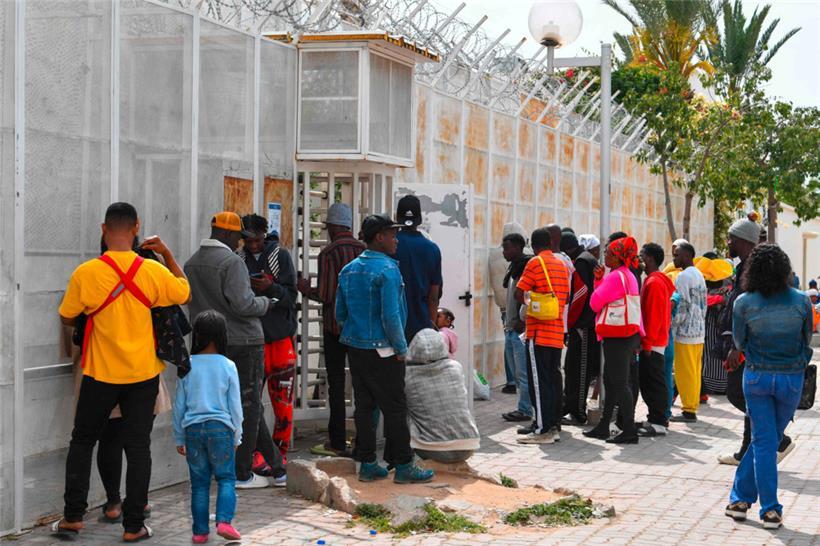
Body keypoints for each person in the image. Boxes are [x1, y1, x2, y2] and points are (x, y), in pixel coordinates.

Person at [54, 202, 190, 541]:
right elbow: (183, 290)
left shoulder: (86, 273)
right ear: (137, 227)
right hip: (142, 377)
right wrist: (168, 254)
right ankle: (133, 526)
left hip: (99, 375)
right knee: (138, 448)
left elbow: (67, 315)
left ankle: (73, 517)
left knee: (83, 442)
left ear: (103, 229)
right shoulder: (153, 271)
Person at [184, 211, 285, 489]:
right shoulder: (231, 262)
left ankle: (277, 467)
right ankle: (241, 473)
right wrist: (268, 302)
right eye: (238, 238)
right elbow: (243, 305)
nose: (240, 244)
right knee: (249, 405)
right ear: (228, 235)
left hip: (211, 344)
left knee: (237, 405)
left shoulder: (191, 263)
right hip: (244, 340)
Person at [336, 214, 434, 484]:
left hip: (355, 347)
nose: (396, 240)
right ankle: (403, 464)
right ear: (379, 237)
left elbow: (340, 313)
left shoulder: (349, 269)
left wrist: (357, 333)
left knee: (365, 406)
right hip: (385, 349)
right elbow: (391, 316)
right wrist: (401, 347)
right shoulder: (388, 270)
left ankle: (367, 462)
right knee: (394, 407)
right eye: (392, 234)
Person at [724, 244, 813, 530]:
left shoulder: (744, 303)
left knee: (763, 441)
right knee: (768, 440)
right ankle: (765, 508)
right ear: (785, 269)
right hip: (791, 379)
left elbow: (739, 343)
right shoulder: (801, 301)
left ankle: (745, 502)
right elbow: (806, 340)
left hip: (757, 378)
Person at [717, 219, 795, 465]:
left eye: (731, 238)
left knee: (737, 394)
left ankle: (779, 439)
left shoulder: (757, 269)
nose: (728, 242)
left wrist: (736, 346)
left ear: (742, 240)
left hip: (749, 347)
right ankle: (746, 451)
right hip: (744, 344)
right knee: (746, 397)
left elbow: (751, 310)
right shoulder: (743, 267)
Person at [298, 203, 365, 457]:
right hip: (360, 330)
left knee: (336, 385)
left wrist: (305, 289)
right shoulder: (363, 250)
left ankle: (337, 442)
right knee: (361, 385)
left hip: (335, 329)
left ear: (334, 227)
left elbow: (326, 294)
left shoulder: (328, 253)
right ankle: (363, 440)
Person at [173, 311, 243, 544]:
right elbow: (235, 407)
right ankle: (223, 521)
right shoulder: (228, 365)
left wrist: (179, 438)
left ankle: (200, 532)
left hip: (192, 430)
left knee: (199, 484)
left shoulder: (187, 366)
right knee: (225, 478)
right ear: (223, 336)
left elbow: (179, 406)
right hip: (221, 429)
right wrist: (237, 436)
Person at [239, 214, 297, 462]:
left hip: (280, 340)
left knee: (283, 405)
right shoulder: (238, 260)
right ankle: (255, 455)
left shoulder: (279, 256)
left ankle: (279, 455)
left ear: (265, 235)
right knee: (252, 405)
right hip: (253, 340)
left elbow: (291, 296)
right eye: (248, 240)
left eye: (258, 240)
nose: (253, 245)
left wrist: (270, 289)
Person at [584, 236, 644, 444]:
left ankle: (629, 429)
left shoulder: (615, 277)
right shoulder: (629, 275)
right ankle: (603, 425)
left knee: (618, 382)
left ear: (618, 257)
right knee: (612, 381)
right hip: (628, 334)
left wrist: (598, 281)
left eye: (609, 253)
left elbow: (595, 302)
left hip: (616, 335)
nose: (605, 256)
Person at [515, 227, 570, 444]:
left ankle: (542, 429)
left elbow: (520, 292)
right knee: (554, 379)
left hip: (539, 332)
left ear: (534, 245)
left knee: (538, 382)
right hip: (557, 330)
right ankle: (554, 423)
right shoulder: (561, 264)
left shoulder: (535, 263)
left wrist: (532, 302)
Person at [404, 329, 480, 463]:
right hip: (468, 446)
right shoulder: (456, 367)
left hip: (432, 450)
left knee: (400, 411)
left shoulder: (406, 375)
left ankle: (405, 460)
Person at [560, 231, 600, 426]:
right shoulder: (584, 259)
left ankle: (578, 412)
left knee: (580, 369)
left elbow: (580, 295)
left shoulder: (582, 262)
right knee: (572, 367)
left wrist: (571, 322)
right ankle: (570, 407)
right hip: (581, 325)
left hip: (583, 326)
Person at [636, 243, 675, 437]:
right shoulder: (655, 281)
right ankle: (655, 418)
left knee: (654, 382)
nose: (639, 259)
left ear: (650, 258)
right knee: (653, 381)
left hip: (654, 341)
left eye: (642, 256)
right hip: (656, 340)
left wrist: (648, 343)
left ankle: (658, 421)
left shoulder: (654, 283)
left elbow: (654, 316)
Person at [393, 195, 442, 344]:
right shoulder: (432, 249)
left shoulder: (390, 246)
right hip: (421, 324)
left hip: (393, 323)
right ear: (419, 218)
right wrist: (432, 327)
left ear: (396, 217)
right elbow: (433, 296)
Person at [669, 242, 707, 423]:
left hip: (685, 333)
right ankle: (691, 406)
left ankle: (689, 410)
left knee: (685, 373)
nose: (674, 258)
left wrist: (673, 324)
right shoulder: (699, 274)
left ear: (686, 256)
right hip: (699, 331)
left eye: (676, 255)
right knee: (694, 371)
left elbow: (681, 305)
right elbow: (703, 304)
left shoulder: (683, 276)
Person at [500, 232, 533, 423]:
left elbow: (528, 296)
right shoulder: (515, 267)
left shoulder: (526, 268)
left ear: (518, 248)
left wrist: (523, 320)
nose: (504, 252)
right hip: (512, 326)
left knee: (523, 373)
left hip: (520, 328)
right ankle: (524, 407)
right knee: (518, 372)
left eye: (507, 248)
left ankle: (526, 410)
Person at [490, 222, 527, 394]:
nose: (504, 252)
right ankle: (523, 403)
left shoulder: (521, 264)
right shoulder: (518, 264)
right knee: (517, 360)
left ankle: (515, 388)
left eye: (507, 248)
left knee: (516, 359)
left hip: (511, 314)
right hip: (515, 317)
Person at [695, 256, 734, 395]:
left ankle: (716, 385)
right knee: (710, 354)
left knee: (717, 353)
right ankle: (710, 385)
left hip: (720, 325)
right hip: (711, 325)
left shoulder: (729, 288)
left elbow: (725, 300)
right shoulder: (709, 285)